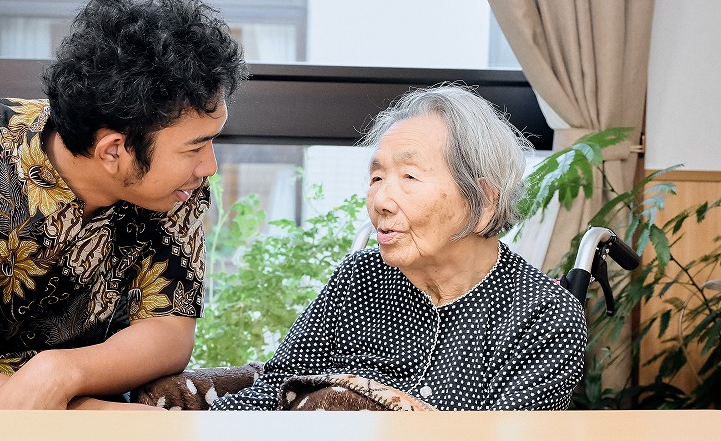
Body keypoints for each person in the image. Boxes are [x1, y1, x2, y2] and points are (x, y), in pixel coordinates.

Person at [0, 0, 247, 409]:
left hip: (84, 395)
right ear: (114, 150)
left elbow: (169, 332)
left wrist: (64, 372)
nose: (210, 166)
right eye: (194, 147)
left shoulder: (178, 188)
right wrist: (59, 408)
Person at [210, 83, 586, 411]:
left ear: (484, 201)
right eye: (376, 177)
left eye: (409, 176)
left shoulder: (543, 316)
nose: (380, 200)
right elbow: (273, 391)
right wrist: (187, 430)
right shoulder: (360, 279)